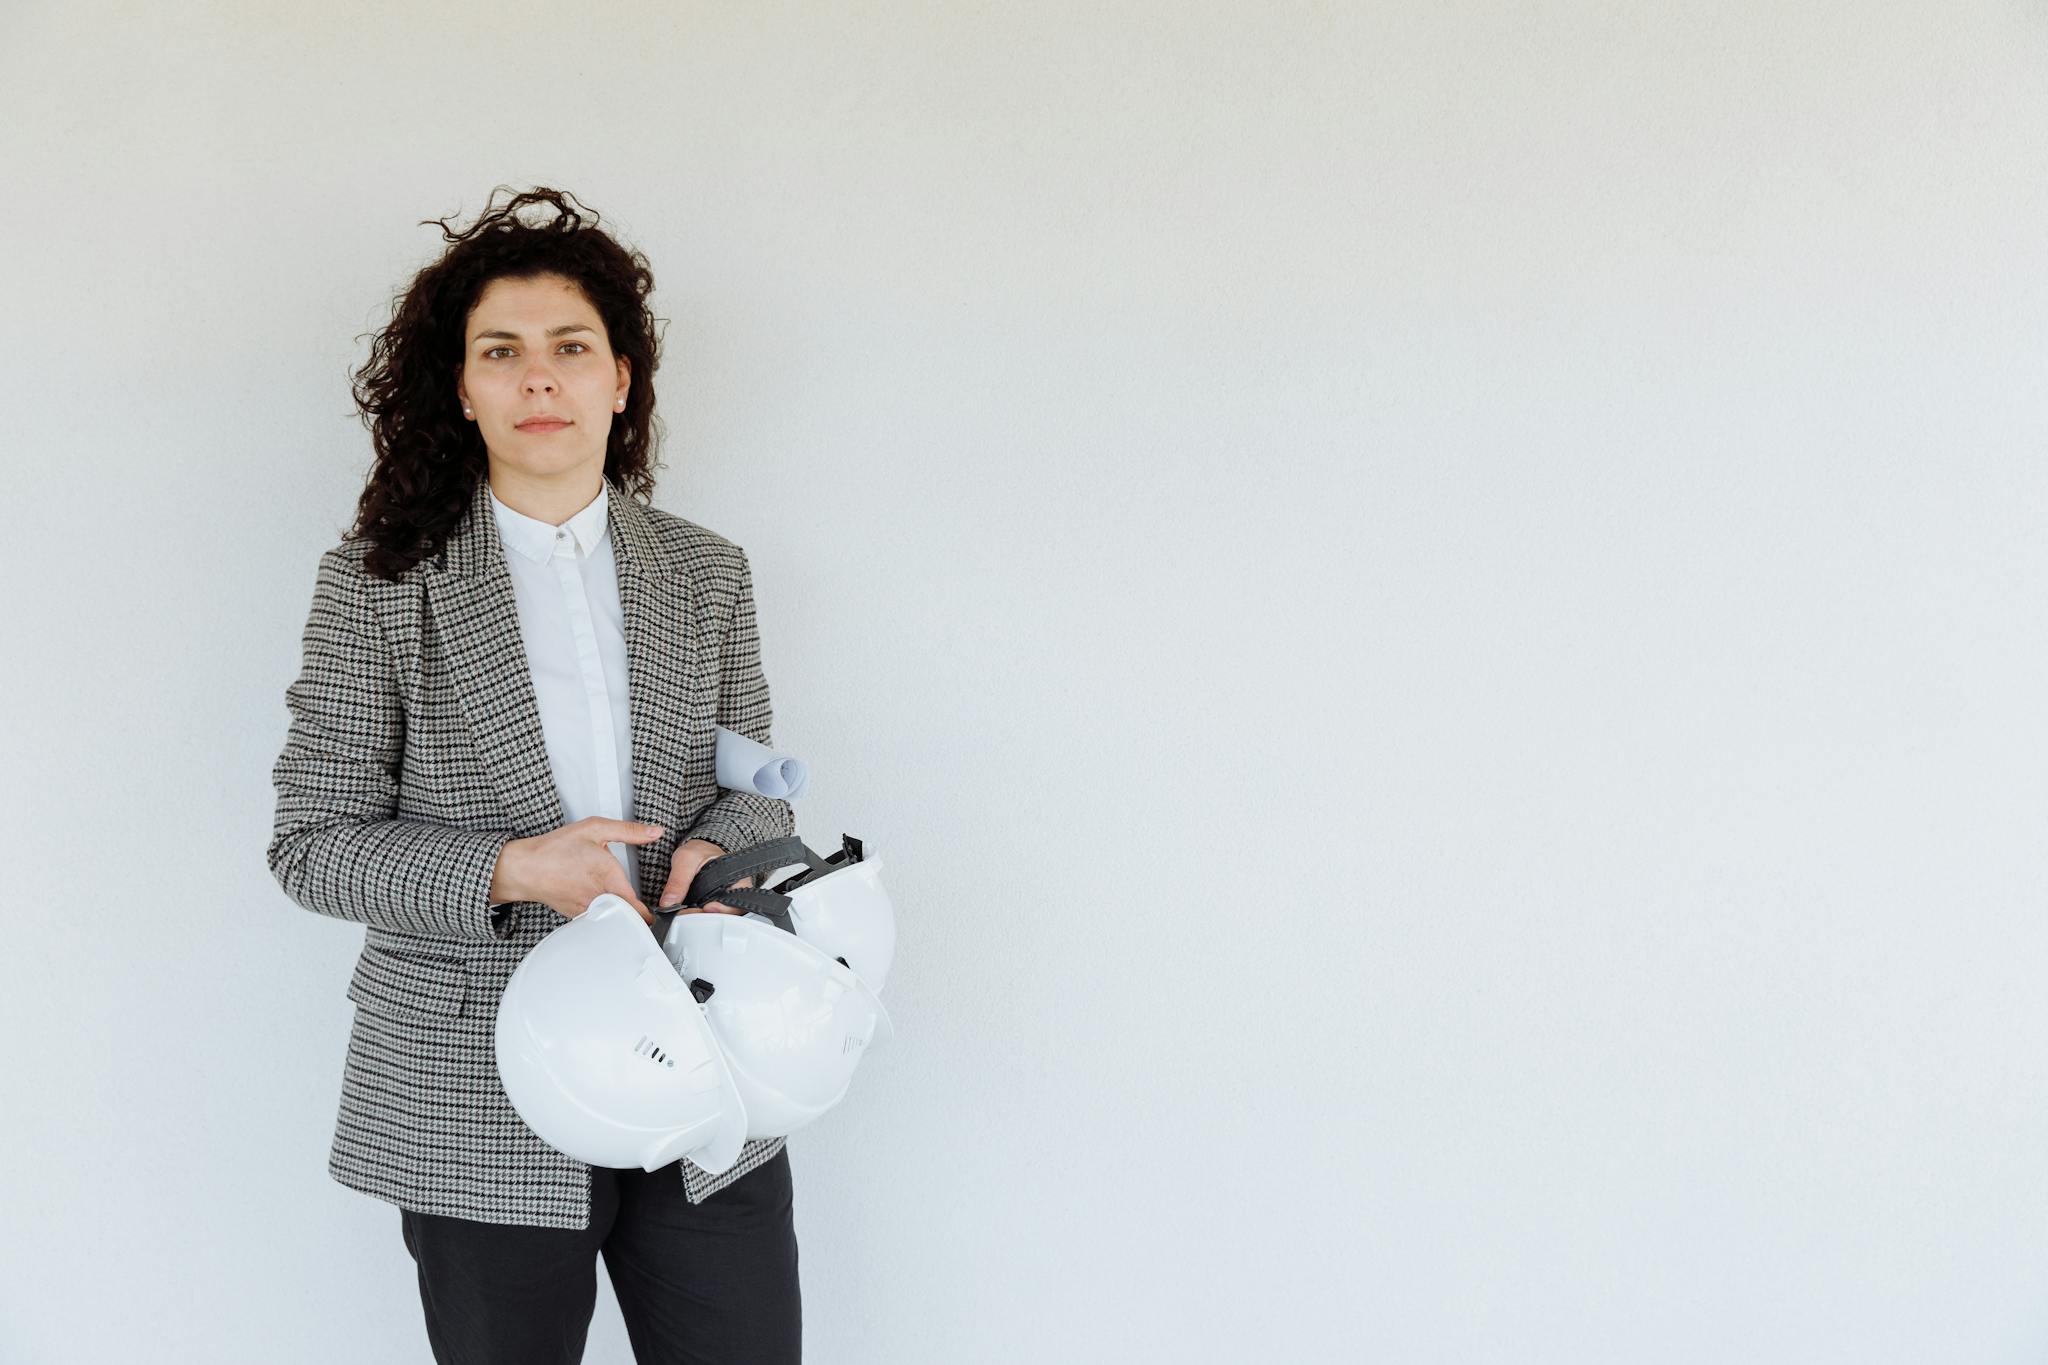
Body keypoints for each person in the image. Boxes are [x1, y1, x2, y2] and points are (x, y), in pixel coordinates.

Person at [265, 186, 803, 1364]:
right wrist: (514, 870)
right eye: (500, 353)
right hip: (476, 1074)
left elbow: (757, 773)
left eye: (570, 348)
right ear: (461, 389)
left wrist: (727, 846)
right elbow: (310, 845)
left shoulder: (707, 571)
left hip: (703, 1055)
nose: (538, 379)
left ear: (621, 378)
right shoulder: (376, 582)